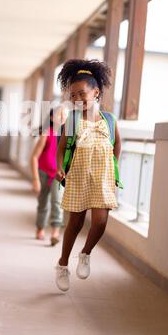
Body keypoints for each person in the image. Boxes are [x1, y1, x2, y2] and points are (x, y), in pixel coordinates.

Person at [54, 59, 121, 291]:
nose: (77, 99)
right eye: (73, 95)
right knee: (75, 223)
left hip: (103, 178)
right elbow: (61, 147)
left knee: (101, 222)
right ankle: (63, 264)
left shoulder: (110, 121)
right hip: (79, 176)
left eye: (82, 93)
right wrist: (59, 166)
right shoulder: (72, 120)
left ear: (96, 92)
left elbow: (116, 146)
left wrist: (114, 172)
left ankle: (85, 253)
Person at [30, 107, 67, 246]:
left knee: (57, 203)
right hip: (43, 173)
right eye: (60, 114)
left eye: (65, 115)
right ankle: (40, 228)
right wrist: (35, 180)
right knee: (43, 202)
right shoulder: (46, 134)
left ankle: (55, 233)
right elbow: (34, 157)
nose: (63, 116)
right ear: (52, 118)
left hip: (58, 175)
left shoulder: (67, 137)